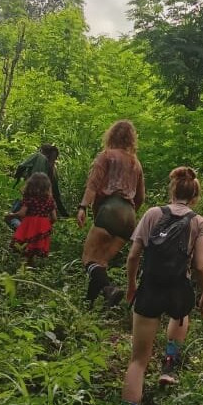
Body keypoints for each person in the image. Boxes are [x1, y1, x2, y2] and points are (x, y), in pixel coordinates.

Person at [118, 166, 203, 405]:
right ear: (195, 195)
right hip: (178, 289)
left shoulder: (152, 214)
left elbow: (133, 256)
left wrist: (132, 285)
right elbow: (200, 266)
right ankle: (169, 364)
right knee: (181, 313)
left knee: (137, 361)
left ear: (172, 190)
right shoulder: (200, 222)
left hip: (150, 288)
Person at [76, 120, 145, 307]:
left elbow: (93, 185)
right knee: (100, 263)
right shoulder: (136, 163)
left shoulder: (106, 156)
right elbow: (141, 197)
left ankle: (109, 289)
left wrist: (83, 207)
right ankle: (88, 305)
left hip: (110, 209)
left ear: (111, 135)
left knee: (89, 258)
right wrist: (128, 213)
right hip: (129, 216)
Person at [9, 144, 67, 229]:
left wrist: (15, 182)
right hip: (41, 199)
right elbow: (56, 193)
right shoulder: (53, 170)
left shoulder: (38, 156)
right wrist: (64, 213)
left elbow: (21, 166)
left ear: (41, 150)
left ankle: (23, 233)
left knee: (13, 217)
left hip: (26, 192)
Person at [5, 172, 57, 265]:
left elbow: (22, 214)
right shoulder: (50, 200)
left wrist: (10, 215)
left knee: (20, 246)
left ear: (30, 185)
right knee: (34, 249)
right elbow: (54, 218)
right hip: (43, 226)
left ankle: (22, 268)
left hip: (29, 225)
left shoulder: (30, 198)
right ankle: (30, 267)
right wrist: (46, 225)